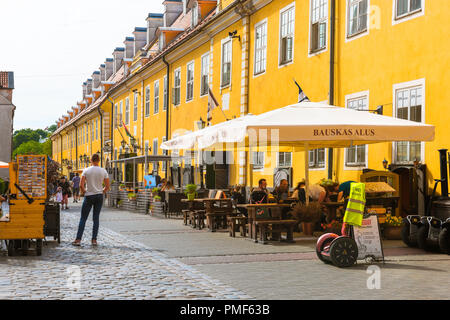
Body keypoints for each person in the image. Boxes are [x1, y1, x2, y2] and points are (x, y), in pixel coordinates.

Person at [72, 154, 110, 246]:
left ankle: (78, 240)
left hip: (89, 195)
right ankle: (94, 240)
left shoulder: (86, 170)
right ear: (99, 160)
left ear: (91, 160)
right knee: (96, 218)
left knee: (83, 218)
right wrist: (102, 192)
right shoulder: (103, 171)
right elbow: (107, 186)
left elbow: (81, 185)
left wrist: (85, 192)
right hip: (99, 195)